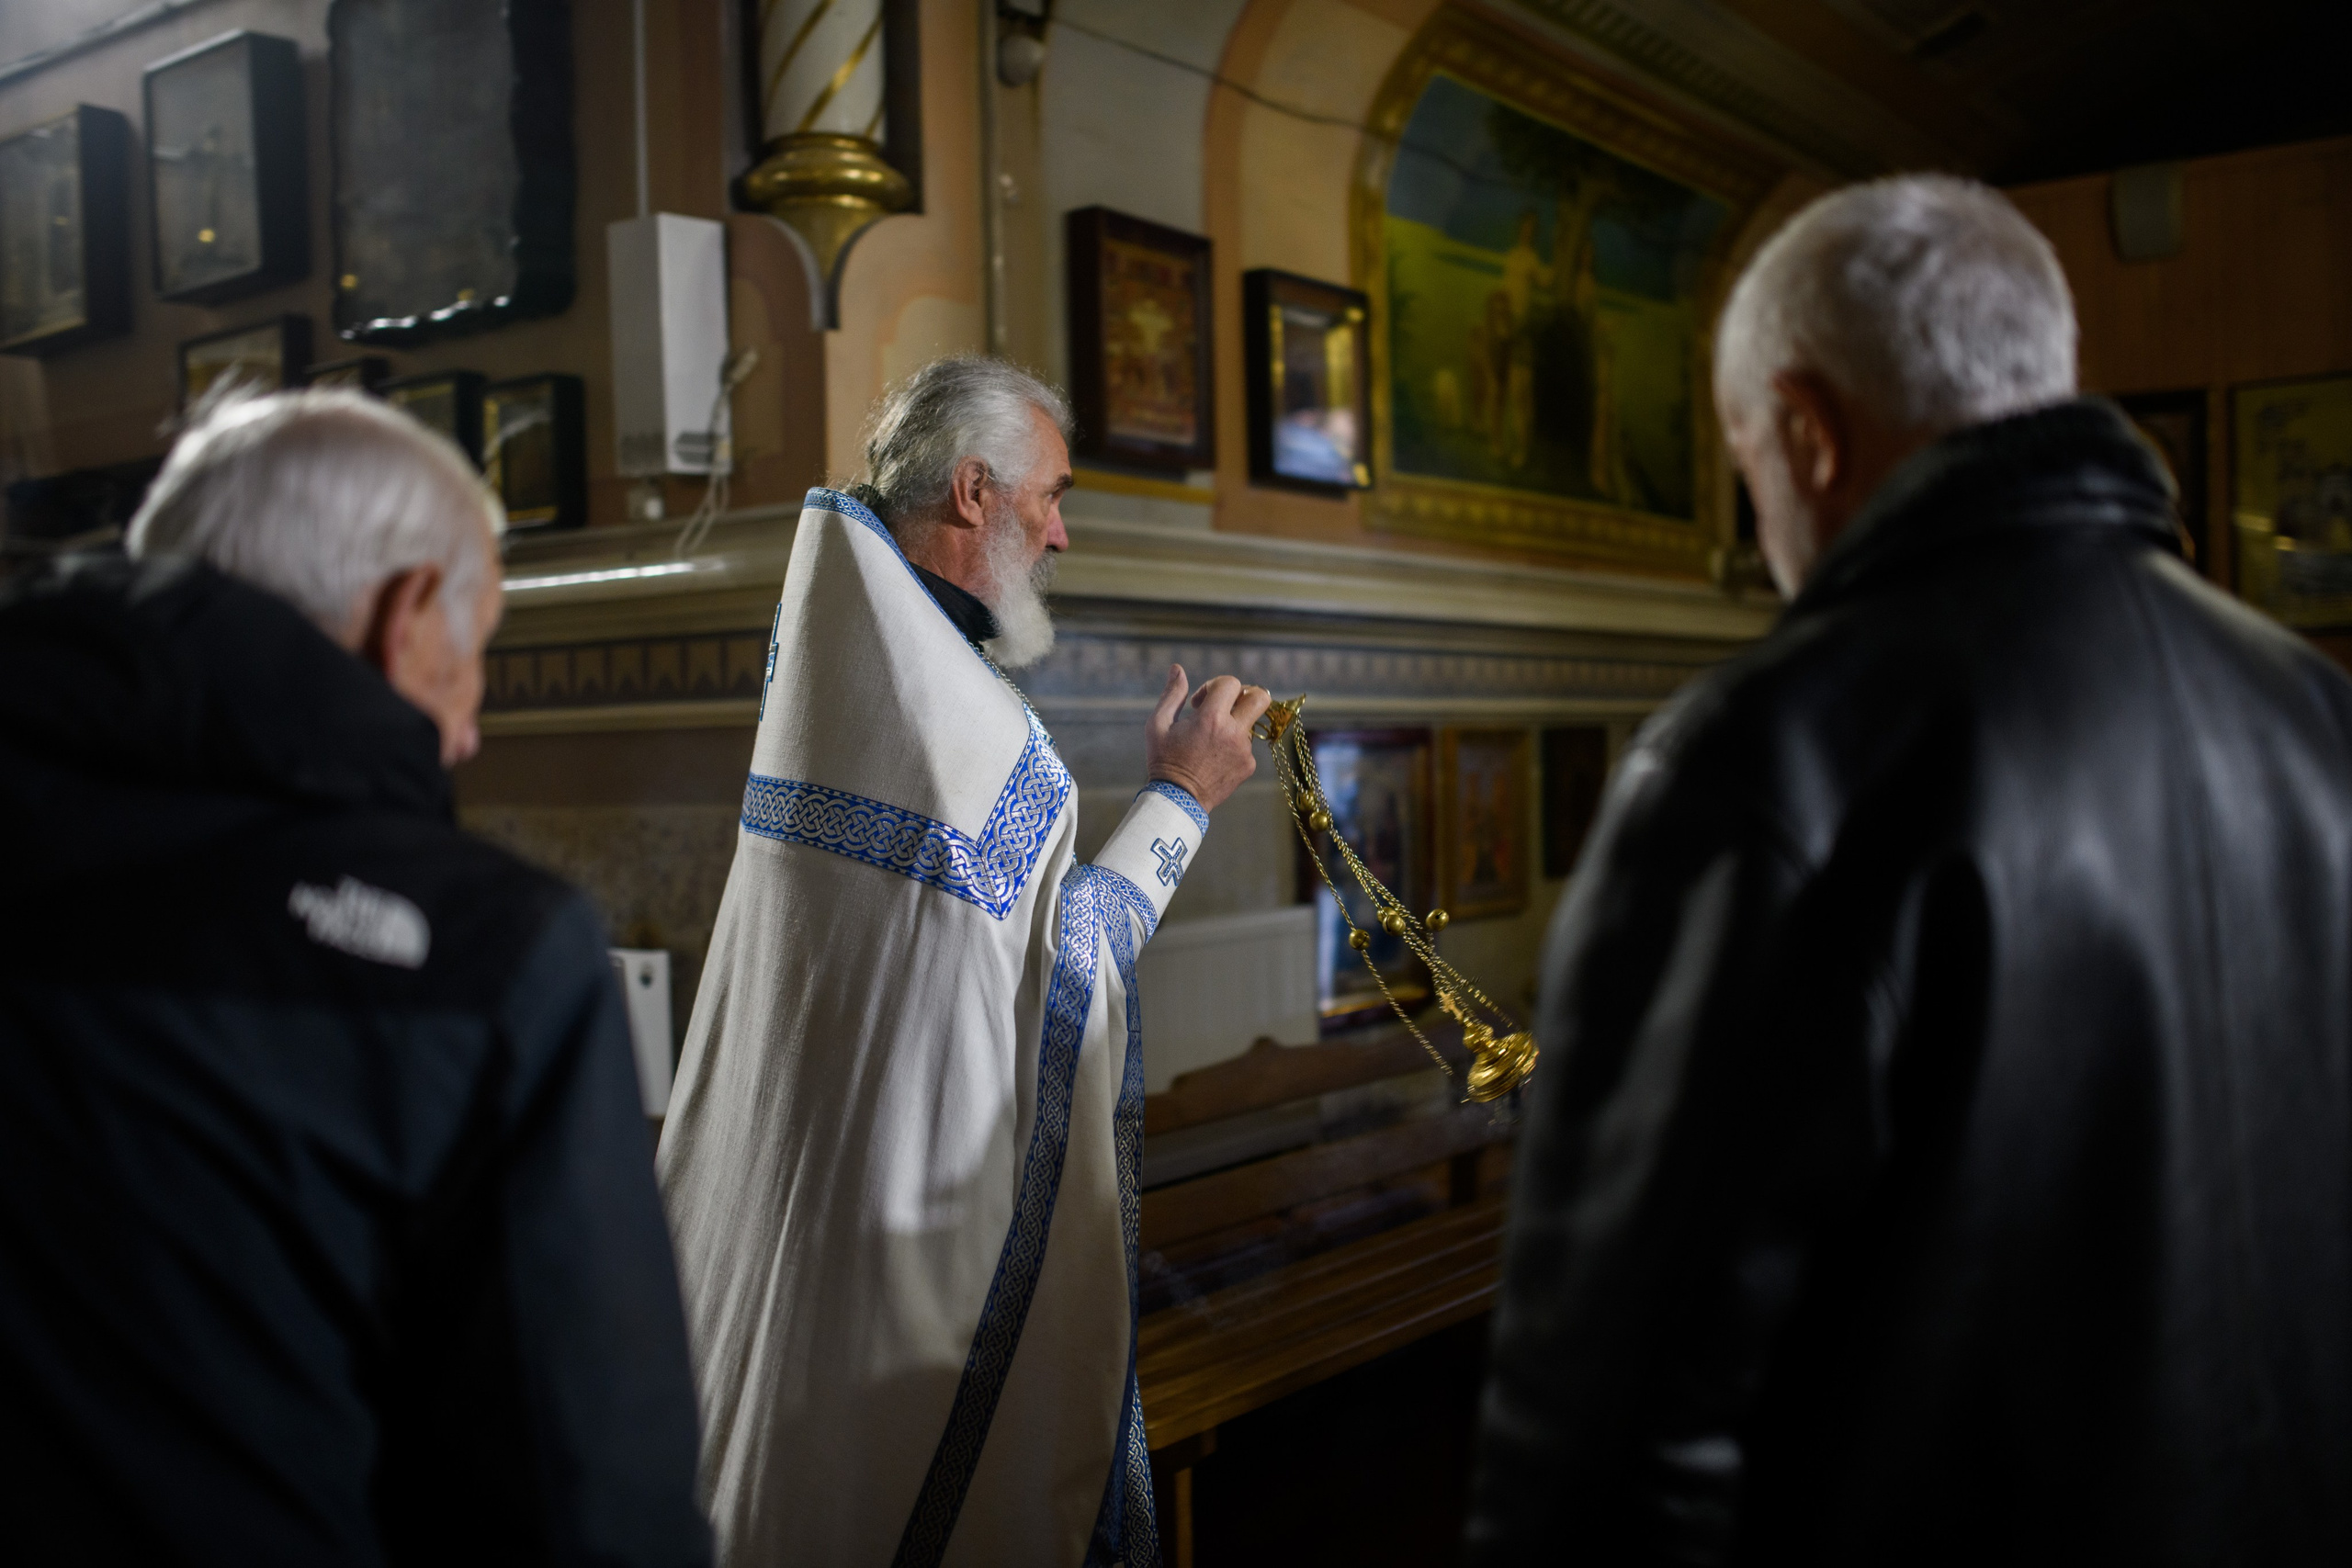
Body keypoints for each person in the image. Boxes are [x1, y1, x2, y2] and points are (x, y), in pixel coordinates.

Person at [1468, 175, 2352, 1562]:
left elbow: (1616, 1442)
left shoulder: (1775, 753)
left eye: (1746, 457)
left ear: (1810, 436)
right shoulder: (2313, 707)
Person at [0, 390, 711, 1566]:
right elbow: (588, 1497)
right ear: (409, 613)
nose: (471, 730)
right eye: (473, 658)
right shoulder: (493, 952)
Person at [657, 356, 1265, 1568]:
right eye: (1051, 494)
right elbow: (1073, 972)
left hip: (800, 1214)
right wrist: (1185, 797)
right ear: (976, 489)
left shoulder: (853, 670)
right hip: (896, 1266)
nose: (1063, 530)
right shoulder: (972, 733)